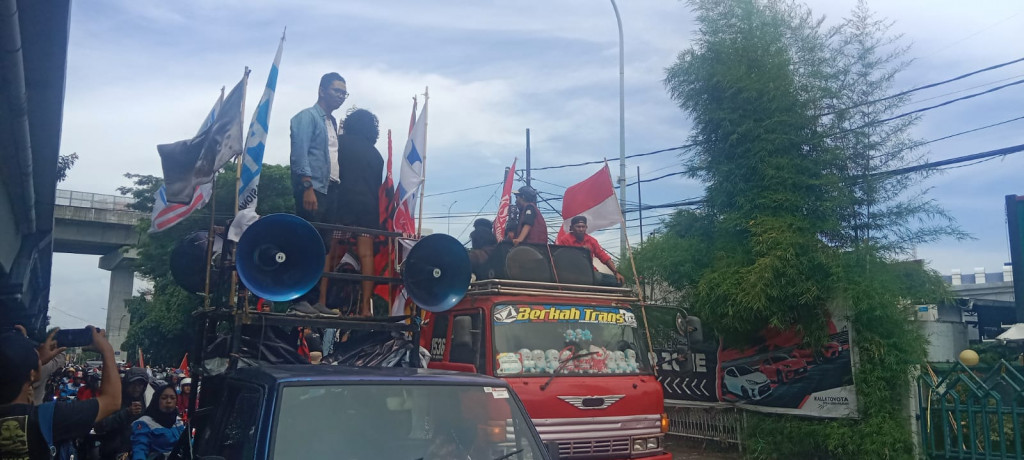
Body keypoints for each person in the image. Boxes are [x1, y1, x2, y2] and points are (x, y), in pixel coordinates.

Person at [0, 326, 121, 460]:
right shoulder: (48, 417)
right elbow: (112, 400)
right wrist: (107, 350)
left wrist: (32, 359)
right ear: (33, 374)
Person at [289, 72, 350, 316]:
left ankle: (314, 300)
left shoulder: (332, 122)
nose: (341, 97)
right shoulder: (307, 117)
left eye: (344, 93)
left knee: (322, 246)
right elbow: (299, 154)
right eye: (337, 91)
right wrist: (307, 186)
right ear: (322, 90)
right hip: (313, 188)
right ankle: (298, 299)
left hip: (331, 187)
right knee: (307, 243)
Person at [337, 108, 384, 317]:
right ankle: (366, 307)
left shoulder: (340, 143)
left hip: (342, 203)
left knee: (333, 250)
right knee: (366, 255)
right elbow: (378, 185)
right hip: (368, 207)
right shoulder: (376, 155)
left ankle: (322, 301)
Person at [95, 367, 151, 459]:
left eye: (140, 385)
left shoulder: (146, 401)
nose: (136, 388)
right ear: (126, 384)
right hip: (113, 452)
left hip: (138, 452)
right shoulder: (114, 399)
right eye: (133, 384)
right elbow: (100, 426)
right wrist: (126, 413)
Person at [555, 215, 625, 286]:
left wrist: (616, 272)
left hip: (590, 273)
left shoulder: (592, 241)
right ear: (571, 228)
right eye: (578, 227)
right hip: (571, 273)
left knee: (618, 281)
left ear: (586, 227)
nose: (581, 229)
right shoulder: (565, 240)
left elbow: (603, 256)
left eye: (583, 226)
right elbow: (561, 259)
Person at [130, 385, 184, 460]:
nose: (169, 401)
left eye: (172, 398)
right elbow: (140, 449)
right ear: (156, 400)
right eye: (164, 398)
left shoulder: (178, 421)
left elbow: (188, 443)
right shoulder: (143, 423)